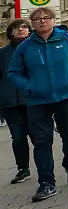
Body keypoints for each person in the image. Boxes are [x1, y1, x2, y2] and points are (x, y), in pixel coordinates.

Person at [6, 7, 68, 202]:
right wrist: (29, 87)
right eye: (37, 19)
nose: (42, 21)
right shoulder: (25, 47)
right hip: (38, 101)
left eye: (46, 18)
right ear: (32, 24)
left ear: (53, 20)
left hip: (67, 97)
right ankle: (46, 182)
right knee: (42, 142)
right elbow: (13, 74)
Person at [1, 19, 32, 185]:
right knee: (18, 137)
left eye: (24, 27)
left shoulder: (35, 48)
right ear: (10, 32)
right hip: (11, 102)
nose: (21, 30)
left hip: (32, 100)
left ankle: (45, 168)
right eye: (16, 28)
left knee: (38, 136)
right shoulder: (3, 53)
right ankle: (23, 169)